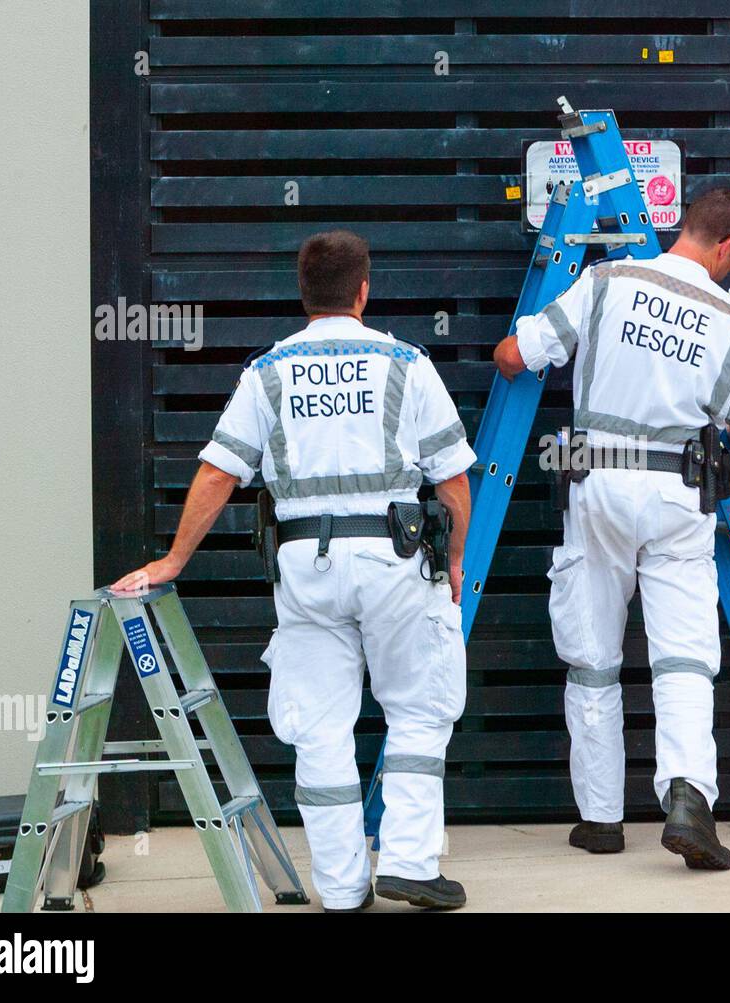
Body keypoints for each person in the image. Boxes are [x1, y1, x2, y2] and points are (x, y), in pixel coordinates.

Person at [111, 230, 476, 908]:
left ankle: (340, 889)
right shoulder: (407, 363)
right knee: (421, 709)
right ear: (364, 290)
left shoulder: (268, 372)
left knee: (321, 725)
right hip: (397, 561)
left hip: (307, 565)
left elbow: (219, 471)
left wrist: (173, 558)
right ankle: (410, 863)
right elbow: (452, 478)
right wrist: (455, 559)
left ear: (304, 293)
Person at [493, 188, 730, 869]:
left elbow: (515, 356)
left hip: (598, 483)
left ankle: (599, 819)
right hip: (680, 494)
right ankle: (686, 798)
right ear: (729, 245)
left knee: (593, 656)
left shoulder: (605, 281)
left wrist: (513, 344)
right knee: (682, 656)